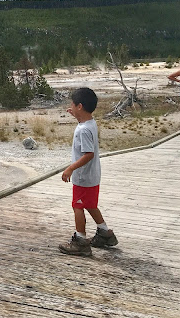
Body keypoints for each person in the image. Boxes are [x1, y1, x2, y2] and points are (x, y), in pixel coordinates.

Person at [59, 87, 118, 256]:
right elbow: (84, 125)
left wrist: (70, 168)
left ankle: (81, 242)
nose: (70, 105)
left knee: (77, 206)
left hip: (83, 177)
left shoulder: (83, 130)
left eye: (73, 103)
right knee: (91, 205)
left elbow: (88, 154)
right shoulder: (90, 123)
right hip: (93, 176)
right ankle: (105, 234)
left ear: (79, 106)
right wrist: (76, 116)